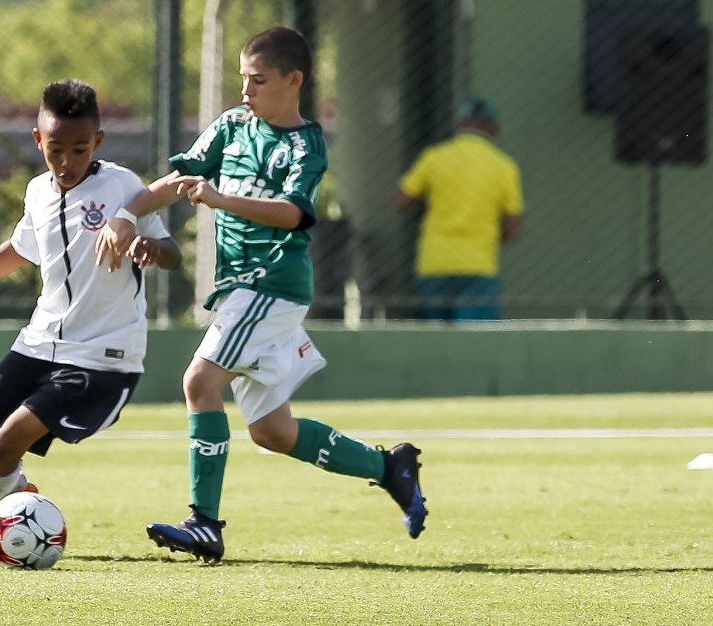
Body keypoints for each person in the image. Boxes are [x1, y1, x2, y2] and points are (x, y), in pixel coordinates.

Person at [94, 27, 427, 564]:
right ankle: (388, 468)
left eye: (258, 80)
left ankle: (204, 523)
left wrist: (223, 199)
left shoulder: (306, 143)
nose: (246, 91)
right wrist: (128, 214)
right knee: (272, 431)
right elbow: (182, 177)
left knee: (199, 381)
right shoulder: (232, 126)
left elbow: (294, 213)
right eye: (243, 80)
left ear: (293, 81)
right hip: (240, 291)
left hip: (271, 283)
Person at [0, 79, 182, 560]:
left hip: (102, 356)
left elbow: (174, 253)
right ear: (39, 141)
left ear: (97, 142)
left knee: (8, 438)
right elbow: (20, 249)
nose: (67, 160)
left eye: (79, 149)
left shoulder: (122, 187)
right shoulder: (37, 191)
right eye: (56, 148)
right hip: (39, 342)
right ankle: (18, 494)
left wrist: (152, 248)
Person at [394, 96, 524, 321]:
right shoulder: (504, 166)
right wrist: (492, 235)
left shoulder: (434, 156)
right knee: (475, 343)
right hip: (479, 264)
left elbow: (402, 200)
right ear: (492, 127)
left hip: (434, 261)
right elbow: (513, 228)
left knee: (436, 339)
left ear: (461, 123)